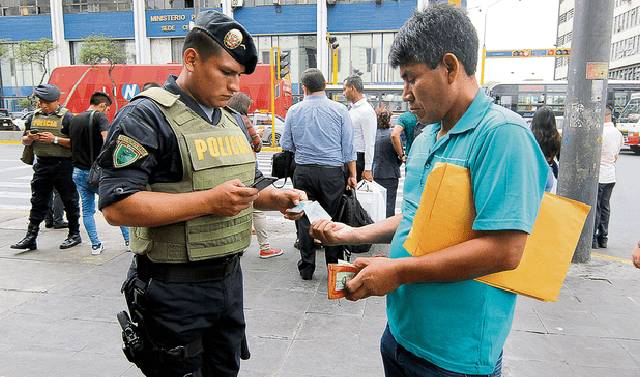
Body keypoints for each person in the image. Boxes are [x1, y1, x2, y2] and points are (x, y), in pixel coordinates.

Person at [310, 5, 547, 376]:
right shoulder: (426, 139)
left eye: (411, 78)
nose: (405, 94)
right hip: (402, 333)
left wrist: (399, 271)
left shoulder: (501, 135)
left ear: (450, 67)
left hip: (455, 355)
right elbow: (418, 216)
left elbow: (505, 249)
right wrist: (355, 233)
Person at [97, 11, 305, 377]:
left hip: (228, 282)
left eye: (239, 76)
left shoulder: (229, 118)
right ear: (191, 59)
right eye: (226, 72)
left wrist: (277, 200)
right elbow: (117, 206)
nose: (235, 86)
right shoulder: (146, 116)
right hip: (173, 289)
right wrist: (209, 202)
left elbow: (246, 187)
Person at [281, 68, 356, 280]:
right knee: (333, 218)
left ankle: (306, 267)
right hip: (332, 173)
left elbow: (286, 144)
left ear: (304, 87)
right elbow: (348, 147)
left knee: (304, 218)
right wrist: (352, 174)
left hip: (303, 172)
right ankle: (334, 268)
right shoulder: (340, 110)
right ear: (324, 85)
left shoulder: (294, 111)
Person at [11, 84, 82, 251]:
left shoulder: (68, 118)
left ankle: (74, 234)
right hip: (42, 164)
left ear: (57, 101)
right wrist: (28, 139)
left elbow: (76, 144)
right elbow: (24, 139)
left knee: (69, 201)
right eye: (41, 102)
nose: (43, 105)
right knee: (37, 201)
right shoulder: (32, 117)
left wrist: (54, 140)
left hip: (63, 165)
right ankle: (31, 237)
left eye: (47, 102)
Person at [68, 91, 130, 255]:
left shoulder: (74, 119)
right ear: (102, 105)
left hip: (77, 172)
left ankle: (96, 245)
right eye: (107, 108)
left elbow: (70, 143)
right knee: (116, 205)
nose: (107, 112)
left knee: (87, 211)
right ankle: (129, 240)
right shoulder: (99, 117)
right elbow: (107, 140)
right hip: (96, 174)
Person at [228, 92, 284, 259]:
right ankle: (265, 247)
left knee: (237, 206)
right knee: (256, 208)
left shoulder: (224, 118)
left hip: (230, 169)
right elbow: (258, 145)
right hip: (249, 169)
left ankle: (236, 247)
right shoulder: (244, 120)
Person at [593, 105, 624, 249]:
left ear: (603, 116)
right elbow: (616, 156)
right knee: (605, 207)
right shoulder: (617, 133)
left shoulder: (600, 133)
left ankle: (593, 239)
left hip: (599, 175)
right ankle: (603, 238)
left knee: (596, 208)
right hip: (611, 175)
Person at [343, 75, 376, 182]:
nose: (343, 93)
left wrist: (367, 169)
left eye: (344, 89)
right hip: (350, 157)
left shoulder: (366, 111)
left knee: (354, 195)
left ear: (352, 88)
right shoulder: (353, 109)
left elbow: (370, 142)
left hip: (359, 159)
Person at [373, 107, 401, 218]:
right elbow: (399, 154)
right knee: (389, 205)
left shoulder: (373, 134)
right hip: (390, 173)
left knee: (377, 205)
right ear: (389, 120)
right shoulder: (393, 135)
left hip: (375, 173)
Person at [530, 106, 561, 192]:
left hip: (531, 173)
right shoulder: (557, 138)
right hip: (548, 174)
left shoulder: (530, 137)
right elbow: (561, 159)